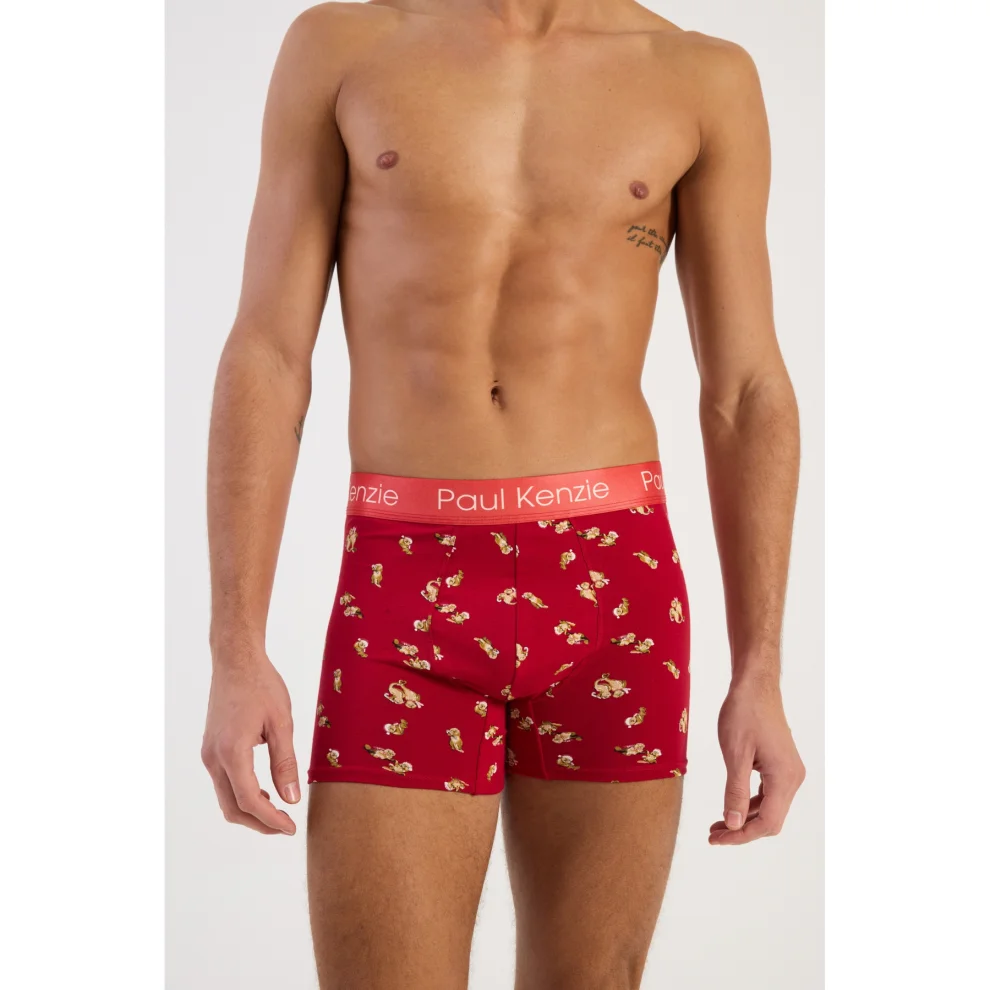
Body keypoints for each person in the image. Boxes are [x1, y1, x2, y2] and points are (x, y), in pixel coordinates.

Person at [201, 0, 806, 986]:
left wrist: (761, 672)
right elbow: (267, 354)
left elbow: (745, 390)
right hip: (407, 584)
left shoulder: (702, 76)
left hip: (614, 590)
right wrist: (236, 647)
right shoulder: (345, 48)